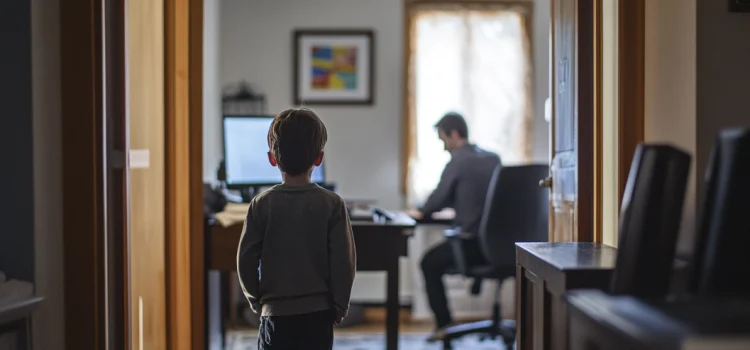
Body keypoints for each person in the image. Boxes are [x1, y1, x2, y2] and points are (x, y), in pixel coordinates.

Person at [237, 108, 356, 350]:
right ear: (319, 158)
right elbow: (344, 262)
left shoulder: (261, 204)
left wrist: (257, 303)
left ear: (272, 158)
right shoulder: (333, 204)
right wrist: (340, 304)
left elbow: (245, 260)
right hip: (318, 316)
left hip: (275, 316)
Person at [409, 112, 501, 341]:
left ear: (455, 134)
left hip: (470, 247)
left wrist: (420, 211)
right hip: (499, 247)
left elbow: (436, 202)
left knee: (428, 263)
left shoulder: (459, 161)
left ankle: (444, 325)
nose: (443, 147)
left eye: (443, 140)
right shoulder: (494, 159)